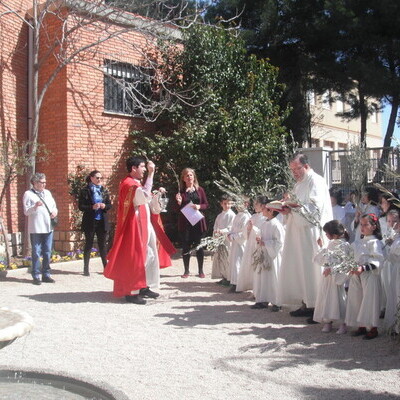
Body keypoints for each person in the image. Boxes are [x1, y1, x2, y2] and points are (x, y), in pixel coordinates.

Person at [104, 156, 167, 304]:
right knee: (138, 256)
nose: (145, 169)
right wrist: (151, 175)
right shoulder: (128, 183)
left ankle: (144, 285)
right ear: (133, 168)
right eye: (142, 167)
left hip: (145, 223)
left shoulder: (137, 183)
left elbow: (148, 199)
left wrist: (157, 195)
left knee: (150, 253)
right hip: (135, 225)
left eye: (146, 167)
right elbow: (142, 197)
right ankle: (132, 291)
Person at [278, 152, 333, 317]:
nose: (294, 172)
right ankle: (306, 301)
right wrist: (287, 209)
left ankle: (317, 305)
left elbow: (314, 210)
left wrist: (293, 207)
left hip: (311, 232)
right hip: (297, 232)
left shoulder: (315, 181)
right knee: (300, 267)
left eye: (297, 168)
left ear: (306, 166)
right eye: (292, 169)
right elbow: (298, 206)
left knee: (311, 268)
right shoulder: (298, 184)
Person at [345, 213, 384, 340]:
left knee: (370, 300)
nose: (362, 227)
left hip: (370, 275)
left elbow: (378, 259)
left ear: (373, 226)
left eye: (366, 224)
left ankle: (372, 327)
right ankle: (361, 324)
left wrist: (364, 268)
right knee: (357, 298)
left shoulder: (375, 242)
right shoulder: (358, 242)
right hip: (357, 274)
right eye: (361, 224)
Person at [313, 220, 351, 334]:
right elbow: (325, 258)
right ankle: (328, 321)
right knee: (326, 298)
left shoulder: (345, 245)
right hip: (328, 278)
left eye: (327, 233)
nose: (326, 235)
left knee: (339, 299)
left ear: (334, 234)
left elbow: (346, 262)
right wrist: (321, 247)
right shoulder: (331, 244)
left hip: (337, 278)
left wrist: (333, 269)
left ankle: (343, 323)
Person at [23, 172, 58, 285]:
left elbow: (54, 206)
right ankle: (36, 275)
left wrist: (54, 212)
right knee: (36, 252)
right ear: (34, 182)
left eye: (45, 182)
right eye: (42, 182)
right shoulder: (28, 194)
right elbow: (26, 212)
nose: (44, 184)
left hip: (48, 227)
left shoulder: (47, 193)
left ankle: (46, 274)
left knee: (47, 251)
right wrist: (35, 206)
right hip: (36, 228)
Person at [176, 168, 209, 278]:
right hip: (185, 224)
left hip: (198, 222)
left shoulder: (200, 190)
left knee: (199, 246)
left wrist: (199, 206)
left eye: (191, 175)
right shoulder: (180, 192)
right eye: (187, 176)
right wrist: (179, 202)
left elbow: (206, 205)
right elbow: (175, 209)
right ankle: (186, 271)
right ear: (183, 179)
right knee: (186, 247)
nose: (189, 177)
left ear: (194, 177)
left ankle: (200, 271)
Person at [252, 201, 285, 311]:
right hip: (264, 254)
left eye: (265, 209)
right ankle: (263, 300)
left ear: (271, 211)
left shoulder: (277, 224)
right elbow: (261, 235)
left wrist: (266, 243)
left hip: (272, 257)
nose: (262, 210)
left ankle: (277, 302)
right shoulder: (265, 223)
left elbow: (280, 242)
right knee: (263, 278)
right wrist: (259, 239)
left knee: (273, 278)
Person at [78, 170, 112, 276]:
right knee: (89, 243)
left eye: (101, 178)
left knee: (102, 245)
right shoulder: (85, 190)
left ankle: (105, 267)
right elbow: (81, 206)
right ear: (91, 178)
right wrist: (91, 207)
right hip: (90, 221)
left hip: (101, 220)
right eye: (97, 178)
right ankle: (86, 268)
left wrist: (104, 206)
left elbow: (109, 205)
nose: (99, 180)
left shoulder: (103, 190)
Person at [236, 196, 267, 293]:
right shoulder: (253, 216)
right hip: (251, 243)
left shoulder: (265, 217)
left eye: (256, 204)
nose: (254, 206)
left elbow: (263, 232)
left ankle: (258, 290)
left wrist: (253, 228)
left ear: (262, 205)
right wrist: (248, 228)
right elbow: (245, 232)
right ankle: (253, 287)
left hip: (258, 244)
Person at [227, 198, 251, 293]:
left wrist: (233, 236)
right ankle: (234, 282)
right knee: (234, 261)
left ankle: (239, 283)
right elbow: (233, 228)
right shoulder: (237, 215)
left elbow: (245, 233)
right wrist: (230, 234)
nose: (237, 206)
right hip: (235, 242)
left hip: (241, 243)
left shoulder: (246, 216)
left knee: (239, 262)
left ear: (246, 204)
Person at [211, 194, 236, 285]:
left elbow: (231, 228)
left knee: (227, 258)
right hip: (220, 240)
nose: (227, 206)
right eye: (225, 203)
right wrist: (216, 232)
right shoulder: (219, 216)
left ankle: (229, 278)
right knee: (221, 258)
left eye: (229, 203)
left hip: (227, 240)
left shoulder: (232, 215)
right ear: (221, 204)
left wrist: (221, 231)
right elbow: (215, 226)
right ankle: (223, 276)